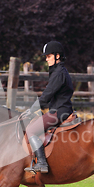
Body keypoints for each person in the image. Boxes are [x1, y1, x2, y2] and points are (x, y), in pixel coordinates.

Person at [25, 41, 74, 173]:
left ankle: (41, 163)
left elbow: (47, 94)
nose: (46, 60)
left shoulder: (59, 73)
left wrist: (31, 109)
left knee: (31, 130)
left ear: (57, 56)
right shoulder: (59, 71)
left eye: (48, 56)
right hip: (61, 109)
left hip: (59, 112)